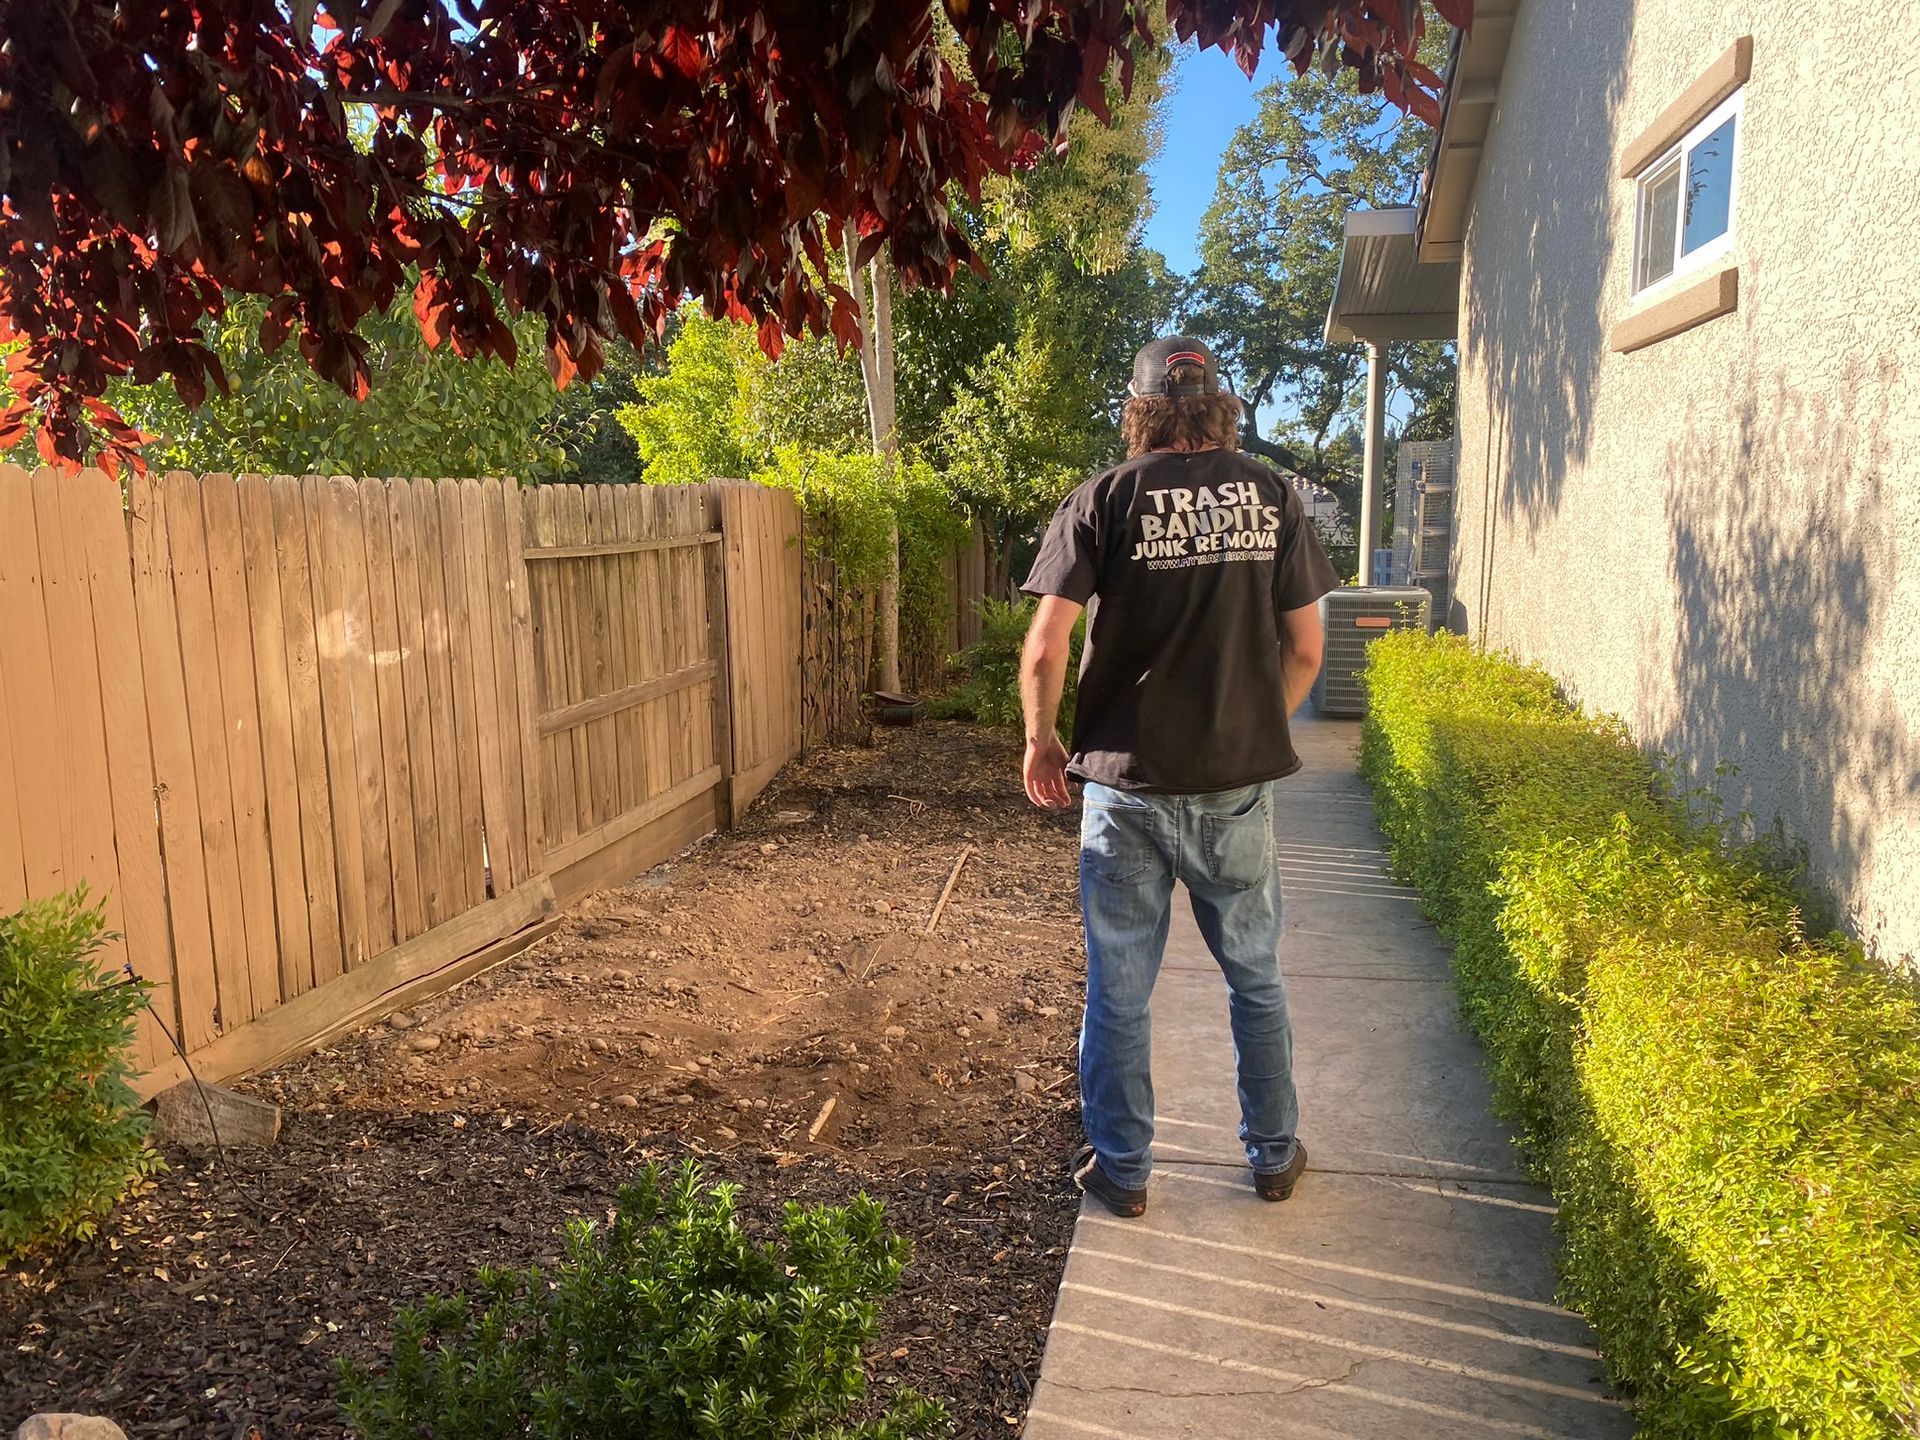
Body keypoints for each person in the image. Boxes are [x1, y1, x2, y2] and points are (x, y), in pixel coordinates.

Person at [1017, 336, 1339, 1217]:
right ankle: (1273, 1157)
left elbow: (1047, 643)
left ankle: (1124, 1172)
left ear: (1142, 407)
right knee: (1256, 976)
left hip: (1126, 790)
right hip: (1236, 786)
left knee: (1119, 989)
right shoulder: (1273, 495)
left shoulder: (1103, 499)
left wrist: (1041, 740)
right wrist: (1253, 724)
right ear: (1219, 405)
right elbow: (1308, 647)